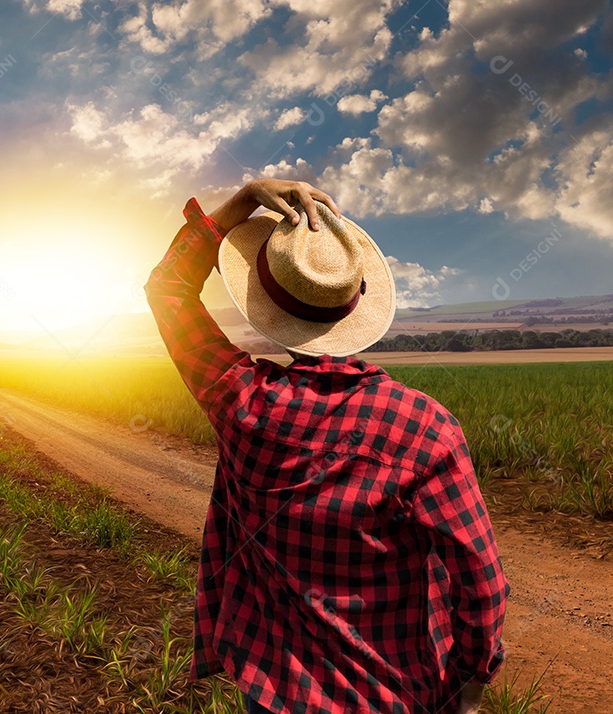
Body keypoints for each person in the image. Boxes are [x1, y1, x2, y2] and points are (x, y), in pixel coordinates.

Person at [143, 178, 510, 714]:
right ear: (354, 305)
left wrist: (245, 199)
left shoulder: (240, 401)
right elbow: (481, 582)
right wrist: (469, 683)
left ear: (265, 303)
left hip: (274, 685)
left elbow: (168, 288)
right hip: (391, 692)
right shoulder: (426, 428)